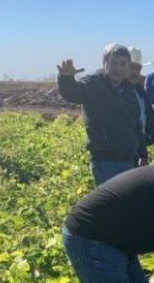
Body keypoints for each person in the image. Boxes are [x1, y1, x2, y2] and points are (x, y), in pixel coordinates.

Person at [57, 43, 146, 186]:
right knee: (110, 204)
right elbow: (73, 92)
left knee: (126, 204)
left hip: (129, 159)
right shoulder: (94, 83)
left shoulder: (128, 90)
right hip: (105, 160)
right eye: (113, 63)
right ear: (105, 64)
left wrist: (143, 153)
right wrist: (66, 79)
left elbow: (136, 124)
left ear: (128, 67)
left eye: (123, 64)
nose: (118, 68)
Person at [128, 47, 154, 165]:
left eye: (138, 68)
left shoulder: (142, 93)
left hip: (138, 150)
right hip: (122, 153)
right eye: (131, 68)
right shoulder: (116, 92)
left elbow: (147, 118)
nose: (135, 72)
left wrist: (143, 152)